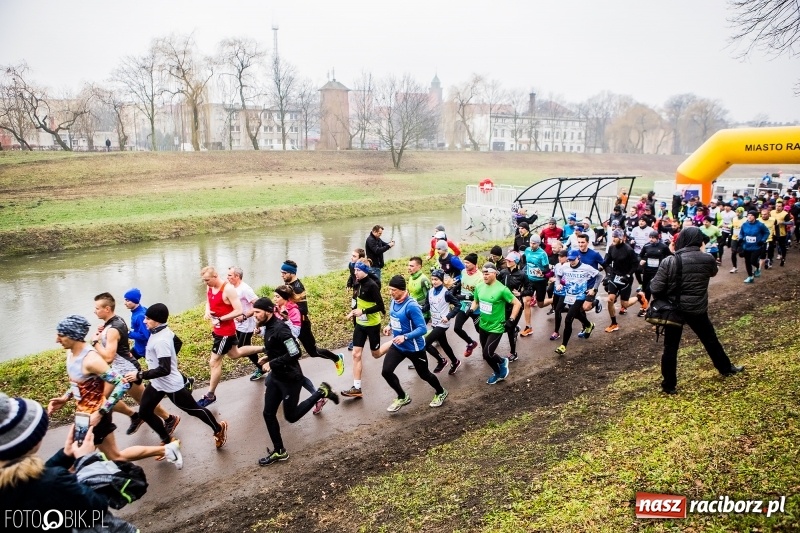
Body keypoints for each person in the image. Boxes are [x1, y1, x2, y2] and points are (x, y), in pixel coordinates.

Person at [47, 315, 180, 467]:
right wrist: (65, 397)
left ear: (73, 335)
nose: (57, 340)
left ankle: (167, 449)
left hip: (96, 416)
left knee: (91, 458)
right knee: (91, 456)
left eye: (61, 335)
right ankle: (167, 450)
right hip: (83, 415)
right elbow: (79, 382)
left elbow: (122, 384)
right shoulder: (71, 353)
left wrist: (100, 413)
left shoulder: (91, 360)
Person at [0, 392, 139, 532]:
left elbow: (32, 480)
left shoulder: (14, 479)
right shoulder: (53, 481)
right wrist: (87, 460)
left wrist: (64, 456)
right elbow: (96, 507)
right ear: (30, 441)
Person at [236, 297, 339, 466]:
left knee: (291, 417)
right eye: (254, 312)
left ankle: (322, 392)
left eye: (257, 312)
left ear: (268, 312)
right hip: (276, 377)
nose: (255, 316)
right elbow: (278, 348)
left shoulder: (281, 329)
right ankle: (279, 451)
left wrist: (272, 363)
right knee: (268, 414)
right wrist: (268, 356)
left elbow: (295, 352)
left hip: (291, 378)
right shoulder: (268, 327)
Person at [650, 226, 744, 394]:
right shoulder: (707, 259)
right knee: (710, 340)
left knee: (670, 348)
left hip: (674, 310)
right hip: (697, 308)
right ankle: (726, 368)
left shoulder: (670, 261)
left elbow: (655, 287)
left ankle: (669, 385)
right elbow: (713, 273)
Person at [123, 303, 228, 450]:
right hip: (157, 383)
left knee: (193, 410)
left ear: (157, 320)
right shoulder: (162, 330)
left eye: (148, 318)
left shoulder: (161, 341)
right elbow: (177, 343)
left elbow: (164, 369)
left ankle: (218, 428)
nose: (144, 321)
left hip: (171, 385)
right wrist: (170, 358)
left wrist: (139, 374)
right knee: (145, 412)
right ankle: (168, 442)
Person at [90, 293, 176, 437]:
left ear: (107, 309)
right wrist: (102, 332)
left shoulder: (113, 329)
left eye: (97, 308)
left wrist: (95, 343)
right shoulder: (115, 322)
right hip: (118, 369)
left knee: (144, 401)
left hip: (128, 370)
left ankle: (169, 419)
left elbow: (109, 357)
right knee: (102, 397)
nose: (94, 311)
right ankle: (134, 416)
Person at [381, 275, 449, 412]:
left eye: (393, 290)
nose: (390, 292)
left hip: (414, 348)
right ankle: (402, 397)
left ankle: (441, 392)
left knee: (424, 375)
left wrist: (405, 337)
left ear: (402, 290)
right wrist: (389, 326)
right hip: (399, 345)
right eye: (390, 289)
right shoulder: (394, 301)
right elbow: (395, 317)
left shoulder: (412, 305)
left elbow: (422, 328)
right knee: (386, 372)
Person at [280, 260, 345, 376]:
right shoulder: (288, 285)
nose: (282, 275)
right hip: (290, 324)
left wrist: (288, 312)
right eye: (281, 272)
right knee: (286, 349)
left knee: (313, 352)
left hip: (302, 324)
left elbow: (304, 309)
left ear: (292, 273)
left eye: (284, 273)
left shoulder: (298, 288)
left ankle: (337, 358)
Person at [197, 266, 245, 407]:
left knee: (214, 362)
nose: (206, 283)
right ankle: (264, 349)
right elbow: (208, 300)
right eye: (204, 280)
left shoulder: (228, 289)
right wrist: (207, 311)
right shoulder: (210, 286)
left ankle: (210, 395)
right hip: (217, 329)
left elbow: (239, 310)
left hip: (225, 332)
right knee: (235, 354)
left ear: (215, 276)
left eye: (207, 280)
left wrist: (221, 319)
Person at [470, 263, 522, 385]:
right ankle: (500, 367)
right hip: (483, 325)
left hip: (496, 327)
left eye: (487, 273)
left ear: (494, 273)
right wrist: (471, 309)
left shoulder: (502, 289)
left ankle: (500, 367)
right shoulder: (479, 286)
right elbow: (476, 301)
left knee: (487, 353)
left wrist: (511, 319)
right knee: (486, 355)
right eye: (483, 273)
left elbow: (517, 304)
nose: (484, 275)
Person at [341, 261, 385, 398]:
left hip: (372, 324)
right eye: (354, 270)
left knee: (376, 354)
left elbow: (381, 306)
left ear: (365, 271)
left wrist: (363, 311)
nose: (355, 273)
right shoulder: (357, 283)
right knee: (356, 354)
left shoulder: (372, 285)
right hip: (360, 324)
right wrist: (353, 311)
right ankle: (357, 388)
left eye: (358, 270)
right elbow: (357, 301)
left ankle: (394, 344)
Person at [553, 249, 602, 356]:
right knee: (576, 314)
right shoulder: (565, 266)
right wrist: (558, 284)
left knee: (568, 319)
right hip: (568, 295)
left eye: (573, 259)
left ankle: (563, 346)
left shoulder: (586, 267)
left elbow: (599, 276)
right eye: (569, 259)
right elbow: (558, 276)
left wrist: (594, 289)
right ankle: (589, 325)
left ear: (578, 258)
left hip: (580, 296)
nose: (571, 262)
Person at [603, 229, 648, 332]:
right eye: (613, 236)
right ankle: (614, 324)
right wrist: (605, 271)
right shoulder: (611, 248)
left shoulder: (628, 250)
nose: (613, 239)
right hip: (614, 277)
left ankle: (639, 297)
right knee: (610, 300)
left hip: (625, 279)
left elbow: (635, 264)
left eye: (616, 237)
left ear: (621, 238)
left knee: (625, 304)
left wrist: (628, 275)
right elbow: (607, 261)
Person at [226, 266, 262, 381]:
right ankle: (263, 363)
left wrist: (245, 316)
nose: (227, 277)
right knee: (243, 348)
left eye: (229, 275)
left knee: (243, 348)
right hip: (237, 324)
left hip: (247, 325)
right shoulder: (231, 288)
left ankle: (262, 365)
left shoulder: (245, 289)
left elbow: (258, 304)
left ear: (237, 276)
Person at [425, 269, 462, 374]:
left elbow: (458, 305)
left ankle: (441, 361)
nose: (434, 282)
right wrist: (418, 308)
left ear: (441, 280)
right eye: (432, 279)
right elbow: (427, 306)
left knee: (425, 343)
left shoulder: (446, 293)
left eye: (436, 279)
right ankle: (455, 362)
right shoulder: (430, 292)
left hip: (443, 323)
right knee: (444, 344)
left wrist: (448, 316)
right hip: (435, 323)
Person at [520, 234, 553, 336]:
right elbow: (525, 262)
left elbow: (547, 269)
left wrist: (542, 273)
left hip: (540, 282)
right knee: (526, 302)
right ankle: (528, 327)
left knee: (540, 304)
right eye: (531, 243)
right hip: (530, 281)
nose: (532, 245)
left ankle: (554, 299)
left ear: (538, 244)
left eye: (534, 243)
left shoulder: (542, 254)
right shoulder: (527, 250)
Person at [453, 253, 482, 357]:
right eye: (464, 262)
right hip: (464, 306)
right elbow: (462, 282)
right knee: (457, 328)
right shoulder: (463, 272)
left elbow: (479, 297)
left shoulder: (480, 277)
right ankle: (471, 343)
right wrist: (454, 289)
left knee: (480, 331)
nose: (465, 264)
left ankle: (487, 348)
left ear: (474, 264)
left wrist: (464, 297)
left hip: (475, 308)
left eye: (468, 263)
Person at [498, 251, 525, 361]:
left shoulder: (522, 275)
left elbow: (530, 289)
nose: (508, 261)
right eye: (507, 259)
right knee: (503, 327)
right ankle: (516, 328)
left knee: (509, 328)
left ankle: (513, 353)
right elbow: (496, 285)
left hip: (516, 306)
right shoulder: (503, 272)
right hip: (504, 305)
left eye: (510, 260)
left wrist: (521, 293)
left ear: (516, 262)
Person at [639, 230, 671, 314]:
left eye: (653, 238)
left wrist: (665, 264)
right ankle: (645, 307)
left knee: (651, 289)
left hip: (658, 271)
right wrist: (642, 260)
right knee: (645, 289)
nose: (651, 239)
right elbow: (640, 255)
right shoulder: (646, 246)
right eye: (650, 237)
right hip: (647, 271)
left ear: (657, 238)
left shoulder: (663, 246)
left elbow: (670, 256)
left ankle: (651, 308)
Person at [738, 210, 771, 283]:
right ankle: (750, 277)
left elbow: (767, 232)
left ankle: (757, 267)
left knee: (752, 260)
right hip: (746, 246)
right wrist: (740, 238)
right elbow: (741, 233)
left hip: (756, 246)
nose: (749, 217)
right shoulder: (744, 224)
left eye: (751, 215)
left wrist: (762, 240)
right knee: (747, 262)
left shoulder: (760, 225)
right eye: (748, 215)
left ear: (755, 217)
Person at [123, 288, 148, 360]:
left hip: (143, 349)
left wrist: (128, 333)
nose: (125, 303)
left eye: (127, 300)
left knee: (127, 362)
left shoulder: (140, 316)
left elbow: (145, 335)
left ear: (135, 301)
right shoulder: (141, 309)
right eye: (125, 300)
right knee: (127, 361)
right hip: (138, 346)